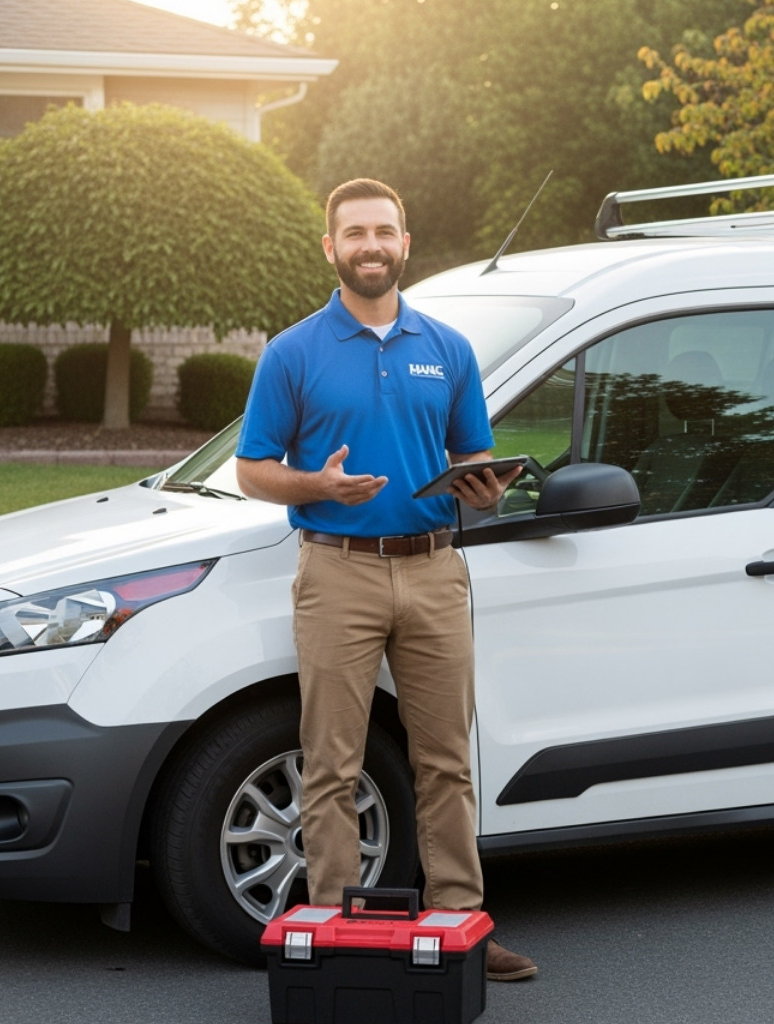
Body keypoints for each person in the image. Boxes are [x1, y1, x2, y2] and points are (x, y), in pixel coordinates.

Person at [234, 178, 536, 981]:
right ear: (331, 248)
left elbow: (472, 452)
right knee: (332, 761)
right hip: (338, 573)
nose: (371, 245)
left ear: (405, 244)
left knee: (448, 760)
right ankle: (331, 931)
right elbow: (251, 470)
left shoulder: (449, 347)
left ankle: (462, 927)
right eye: (355, 233)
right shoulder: (293, 352)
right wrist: (316, 487)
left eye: (385, 232)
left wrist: (485, 483)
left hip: (436, 569)